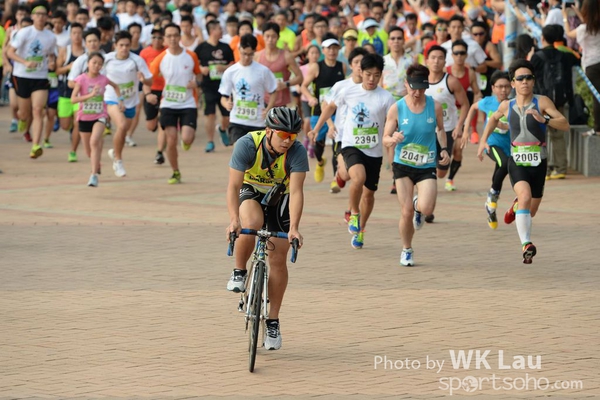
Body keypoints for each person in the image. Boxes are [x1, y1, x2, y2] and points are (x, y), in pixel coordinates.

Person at [226, 107, 308, 351]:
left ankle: (272, 321)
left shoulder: (297, 152)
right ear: (269, 131)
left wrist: (294, 228)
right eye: (284, 135)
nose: (288, 141)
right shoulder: (247, 145)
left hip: (279, 197)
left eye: (293, 136)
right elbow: (233, 186)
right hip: (251, 190)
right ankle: (239, 271)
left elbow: (296, 192)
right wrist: (233, 220)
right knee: (251, 224)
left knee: (279, 259)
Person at [477, 59, 569, 264]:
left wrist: (544, 119)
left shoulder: (542, 102)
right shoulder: (506, 105)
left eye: (528, 77)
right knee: (525, 195)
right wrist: (483, 141)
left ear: (533, 81)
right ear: (513, 83)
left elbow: (564, 124)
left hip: (539, 161)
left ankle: (516, 207)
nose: (525, 81)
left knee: (531, 209)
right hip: (516, 160)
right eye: (520, 78)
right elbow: (492, 119)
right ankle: (526, 244)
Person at [309, 53, 395, 249]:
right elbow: (329, 108)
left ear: (381, 75)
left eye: (376, 75)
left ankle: (361, 229)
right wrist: (317, 128)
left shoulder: (386, 97)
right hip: (350, 144)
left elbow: (392, 122)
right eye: (368, 74)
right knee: (358, 177)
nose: (372, 79)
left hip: (374, 150)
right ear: (360, 72)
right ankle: (354, 213)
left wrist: (393, 139)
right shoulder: (348, 91)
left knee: (369, 194)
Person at [383, 63, 451, 266]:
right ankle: (407, 249)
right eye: (413, 87)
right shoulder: (397, 108)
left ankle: (418, 206)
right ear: (406, 84)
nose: (417, 92)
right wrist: (393, 138)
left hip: (426, 164)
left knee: (427, 208)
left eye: (422, 88)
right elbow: (385, 137)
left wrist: (444, 149)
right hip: (402, 164)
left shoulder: (435, 106)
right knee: (405, 212)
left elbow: (440, 129)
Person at [149, 23, 201, 184]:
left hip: (188, 103)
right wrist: (147, 92)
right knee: (170, 140)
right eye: (169, 36)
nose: (172, 39)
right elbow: (148, 79)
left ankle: (186, 142)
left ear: (180, 37)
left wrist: (196, 84)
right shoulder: (160, 58)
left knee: (186, 138)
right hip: (168, 104)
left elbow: (199, 76)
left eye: (175, 35)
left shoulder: (191, 56)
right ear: (165, 38)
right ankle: (175, 171)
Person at [461, 71, 512, 229]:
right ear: (493, 88)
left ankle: (491, 207)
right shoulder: (488, 102)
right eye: (499, 87)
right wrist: (466, 130)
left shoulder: (513, 104)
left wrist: (506, 126)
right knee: (504, 164)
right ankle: (492, 196)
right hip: (490, 144)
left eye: (506, 86)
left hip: (508, 146)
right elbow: (472, 108)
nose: (503, 90)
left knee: (502, 168)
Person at [7, 2, 57, 159]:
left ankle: (36, 145)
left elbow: (50, 54)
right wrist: (24, 62)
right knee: (24, 112)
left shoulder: (50, 36)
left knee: (38, 110)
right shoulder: (24, 33)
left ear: (47, 17)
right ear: (33, 17)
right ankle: (22, 120)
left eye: (43, 14)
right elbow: (10, 52)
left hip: (40, 77)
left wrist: (51, 62)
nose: (41, 17)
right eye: (38, 14)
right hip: (22, 75)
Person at [531, 25, 579, 180]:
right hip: (559, 100)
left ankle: (543, 167)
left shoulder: (537, 57)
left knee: (539, 135)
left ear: (542, 38)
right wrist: (570, 100)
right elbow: (574, 67)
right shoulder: (565, 57)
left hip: (541, 102)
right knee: (558, 135)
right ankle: (560, 168)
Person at [104, 31, 153, 177]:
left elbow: (150, 81)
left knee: (124, 130)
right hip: (112, 97)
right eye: (121, 45)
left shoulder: (136, 60)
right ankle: (118, 161)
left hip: (131, 101)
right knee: (122, 125)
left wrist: (143, 80)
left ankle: (115, 152)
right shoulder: (107, 59)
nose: (124, 48)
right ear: (115, 45)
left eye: (127, 45)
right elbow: (95, 75)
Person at [71, 52, 124, 187]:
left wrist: (120, 101)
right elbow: (73, 99)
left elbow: (116, 86)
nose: (96, 66)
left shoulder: (103, 79)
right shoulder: (81, 79)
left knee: (94, 141)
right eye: (94, 62)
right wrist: (91, 95)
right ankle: (96, 163)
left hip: (100, 116)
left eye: (100, 64)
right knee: (89, 151)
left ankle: (93, 176)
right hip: (84, 117)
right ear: (88, 63)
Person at [300, 36, 346, 183]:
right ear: (323, 50)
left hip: (337, 112)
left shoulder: (342, 66)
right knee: (318, 145)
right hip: (319, 112)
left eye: (335, 48)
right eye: (329, 48)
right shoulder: (316, 66)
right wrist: (310, 98)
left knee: (336, 145)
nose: (332, 51)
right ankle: (320, 162)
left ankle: (335, 177)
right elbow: (303, 86)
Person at [219, 33, 278, 144]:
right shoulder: (230, 72)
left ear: (254, 52)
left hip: (258, 122)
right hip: (237, 121)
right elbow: (223, 96)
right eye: (244, 53)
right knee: (240, 151)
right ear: (239, 48)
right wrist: (226, 104)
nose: (246, 57)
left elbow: (273, 91)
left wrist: (268, 108)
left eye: (250, 54)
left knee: (256, 156)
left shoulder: (263, 71)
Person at [195, 19, 234, 152]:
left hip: (225, 87)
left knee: (227, 116)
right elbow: (194, 64)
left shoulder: (226, 47)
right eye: (219, 28)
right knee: (210, 114)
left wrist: (223, 67)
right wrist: (201, 69)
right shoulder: (201, 48)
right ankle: (210, 141)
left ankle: (222, 129)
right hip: (208, 87)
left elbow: (233, 64)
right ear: (212, 31)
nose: (221, 31)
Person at [563, 0, 600, 136]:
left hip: (591, 65)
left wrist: (565, 16)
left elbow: (568, 33)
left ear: (585, 12)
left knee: (597, 97)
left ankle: (598, 128)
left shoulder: (584, 29)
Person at [255, 22, 303, 108]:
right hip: (261, 101)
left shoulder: (286, 56)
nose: (270, 39)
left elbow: (300, 77)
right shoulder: (257, 56)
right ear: (263, 37)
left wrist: (285, 84)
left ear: (278, 37)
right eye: (267, 36)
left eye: (273, 36)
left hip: (281, 102)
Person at [56, 23, 85, 162]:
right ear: (70, 35)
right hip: (65, 92)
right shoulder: (65, 51)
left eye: (79, 33)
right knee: (65, 125)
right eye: (74, 33)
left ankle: (73, 152)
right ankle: (71, 129)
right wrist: (69, 67)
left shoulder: (87, 53)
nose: (77, 36)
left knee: (78, 123)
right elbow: (57, 70)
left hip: (81, 94)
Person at [140, 28, 167, 165]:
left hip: (166, 91)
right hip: (151, 89)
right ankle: (155, 119)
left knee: (164, 124)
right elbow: (142, 75)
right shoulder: (145, 53)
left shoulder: (168, 52)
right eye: (154, 37)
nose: (157, 40)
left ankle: (160, 152)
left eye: (160, 37)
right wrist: (147, 93)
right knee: (151, 126)